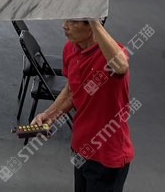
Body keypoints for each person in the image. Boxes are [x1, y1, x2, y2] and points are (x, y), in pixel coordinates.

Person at [32, 18, 134, 191]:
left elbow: (122, 66)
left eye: (73, 21)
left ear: (91, 27)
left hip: (107, 155)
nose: (65, 26)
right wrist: (50, 115)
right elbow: (72, 90)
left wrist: (94, 18)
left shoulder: (111, 54)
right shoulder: (70, 48)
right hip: (81, 147)